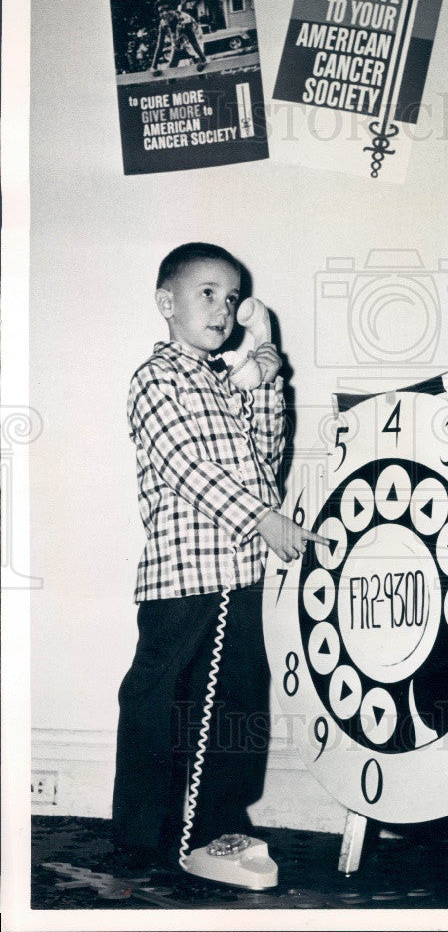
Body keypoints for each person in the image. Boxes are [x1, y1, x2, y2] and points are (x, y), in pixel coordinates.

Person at [109, 242, 324, 875]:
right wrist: (262, 519)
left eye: (232, 298)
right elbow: (184, 465)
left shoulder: (226, 382)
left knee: (235, 706)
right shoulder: (157, 379)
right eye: (208, 292)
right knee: (163, 700)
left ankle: (217, 823)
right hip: (185, 574)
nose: (223, 308)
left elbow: (266, 453)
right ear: (165, 303)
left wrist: (265, 356)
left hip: (244, 575)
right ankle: (143, 835)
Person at [149, 0, 209, 76]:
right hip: (178, 37)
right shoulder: (163, 23)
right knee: (171, 68)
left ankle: (203, 80)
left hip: (195, 37)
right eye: (161, 11)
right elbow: (160, 45)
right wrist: (153, 67)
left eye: (167, 9)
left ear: (174, 9)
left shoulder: (184, 20)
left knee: (199, 67)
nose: (164, 13)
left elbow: (193, 41)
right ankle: (171, 86)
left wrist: (203, 59)